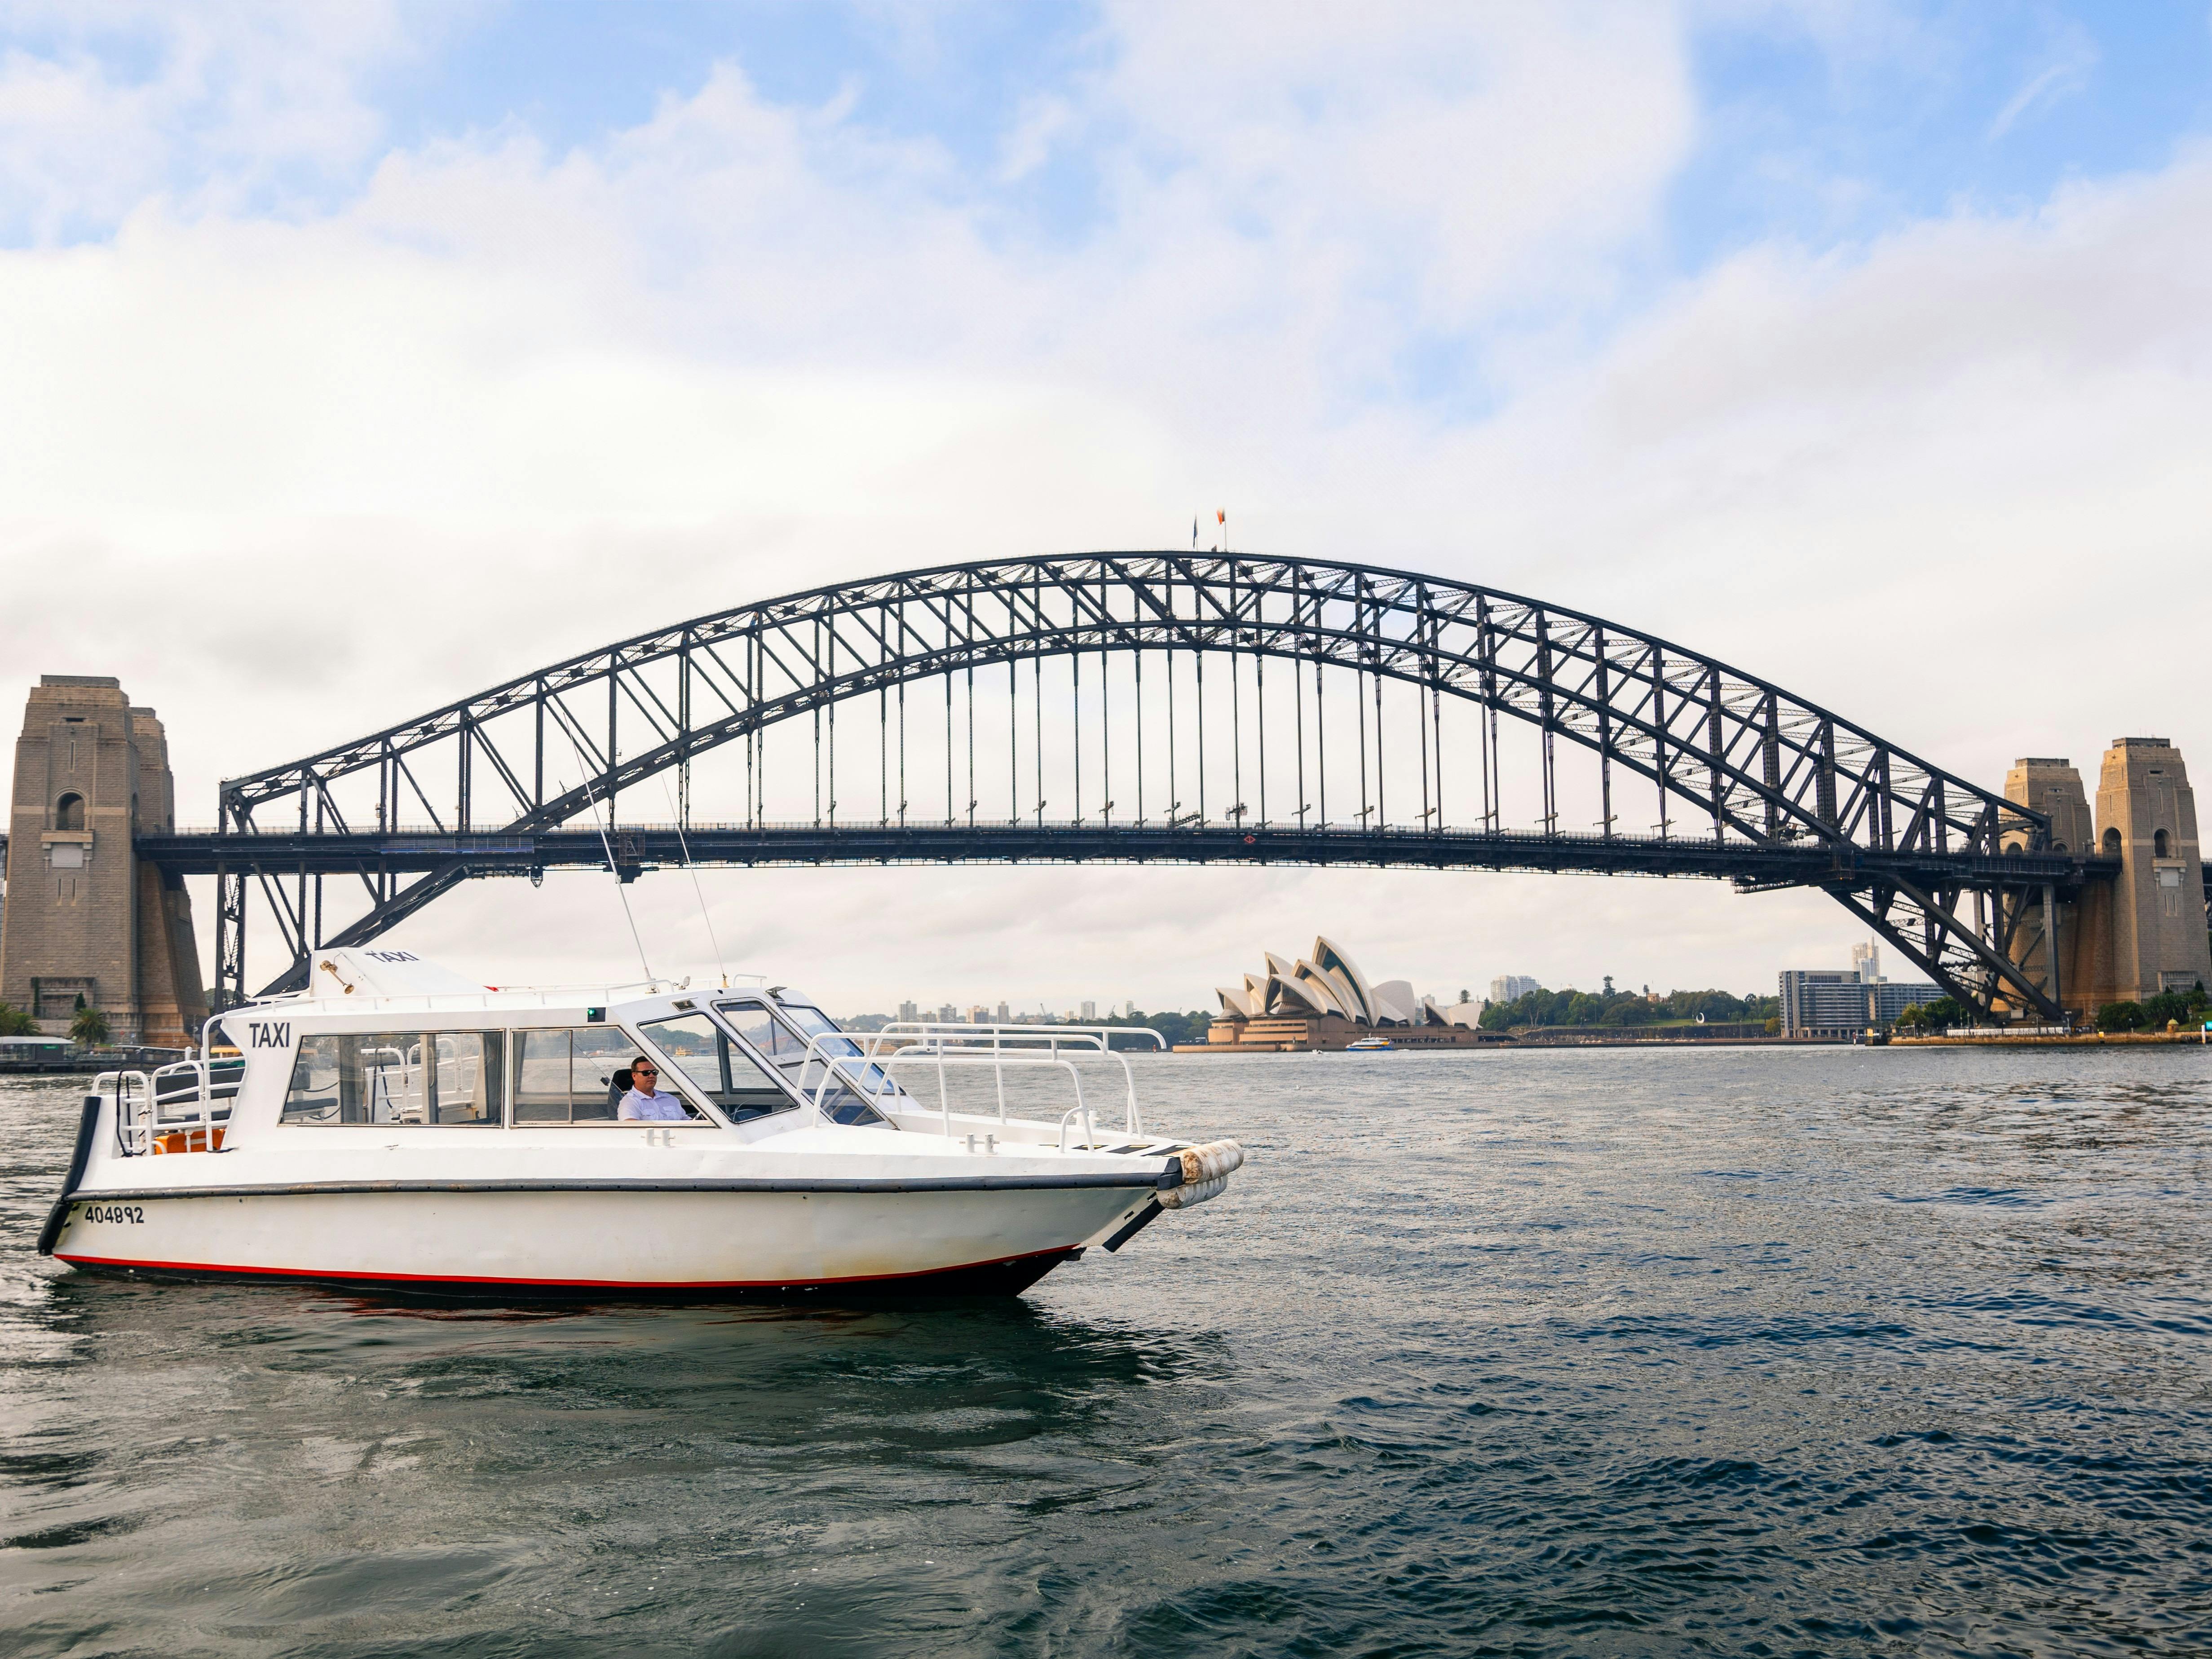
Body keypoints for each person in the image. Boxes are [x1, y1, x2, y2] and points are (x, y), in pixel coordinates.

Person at [617, 1059, 690, 1122]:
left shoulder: (670, 1099)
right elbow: (630, 1128)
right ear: (635, 1076)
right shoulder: (630, 1102)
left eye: (654, 1072)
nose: (652, 1076)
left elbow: (685, 1120)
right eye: (646, 1073)